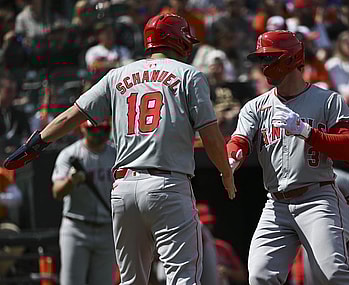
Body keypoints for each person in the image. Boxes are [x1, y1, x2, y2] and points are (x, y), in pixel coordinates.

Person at [3, 13, 236, 285]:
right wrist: (226, 172)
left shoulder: (118, 75)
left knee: (131, 281)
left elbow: (70, 116)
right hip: (168, 184)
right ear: (178, 39)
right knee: (183, 279)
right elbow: (211, 136)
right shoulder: (189, 74)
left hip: (124, 188)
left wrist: (35, 144)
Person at [226, 30, 349, 284]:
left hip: (317, 197)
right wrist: (233, 155)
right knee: (259, 276)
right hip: (276, 204)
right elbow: (240, 140)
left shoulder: (327, 100)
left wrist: (306, 132)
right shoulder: (256, 107)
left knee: (333, 274)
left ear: (291, 59)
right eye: (262, 59)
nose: (264, 65)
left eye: (270, 58)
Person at [51, 120, 116, 285]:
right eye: (94, 129)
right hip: (76, 227)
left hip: (107, 228)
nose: (99, 133)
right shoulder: (70, 154)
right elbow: (56, 192)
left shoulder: (116, 153)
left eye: (104, 129)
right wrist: (70, 181)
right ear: (82, 128)